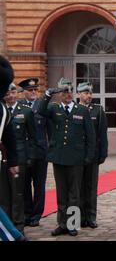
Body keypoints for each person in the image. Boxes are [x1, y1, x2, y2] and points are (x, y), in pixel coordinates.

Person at [37, 78, 96, 237]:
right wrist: (47, 94)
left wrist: (89, 156)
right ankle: (62, 224)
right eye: (65, 92)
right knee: (61, 193)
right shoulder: (54, 108)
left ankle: (72, 224)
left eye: (70, 91)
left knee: (74, 194)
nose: (68, 94)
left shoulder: (82, 110)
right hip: (59, 158)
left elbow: (90, 136)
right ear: (60, 94)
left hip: (76, 159)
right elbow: (40, 110)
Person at [0, 83, 37, 234]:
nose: (10, 95)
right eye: (7, 93)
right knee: (3, 194)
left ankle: (18, 225)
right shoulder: (1, 111)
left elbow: (33, 137)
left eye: (13, 92)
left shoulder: (26, 112)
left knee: (17, 193)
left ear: (17, 93)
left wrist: (29, 158)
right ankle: (7, 225)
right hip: (2, 158)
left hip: (19, 158)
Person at [0, 55, 28, 241]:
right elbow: (9, 136)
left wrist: (13, 160)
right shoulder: (3, 108)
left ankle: (14, 236)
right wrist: (12, 161)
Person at [18, 78, 49, 227]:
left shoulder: (42, 105)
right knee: (24, 185)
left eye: (35, 90)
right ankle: (27, 213)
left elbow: (49, 128)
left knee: (39, 185)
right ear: (23, 92)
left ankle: (37, 214)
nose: (33, 92)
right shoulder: (19, 106)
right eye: (30, 90)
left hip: (40, 152)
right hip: (24, 152)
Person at [77, 82, 108, 229]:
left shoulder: (98, 110)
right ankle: (79, 217)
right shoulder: (74, 110)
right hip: (77, 156)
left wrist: (103, 153)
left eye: (90, 93)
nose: (88, 95)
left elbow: (102, 134)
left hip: (93, 155)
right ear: (79, 94)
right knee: (77, 188)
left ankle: (91, 217)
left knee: (91, 187)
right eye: (85, 93)